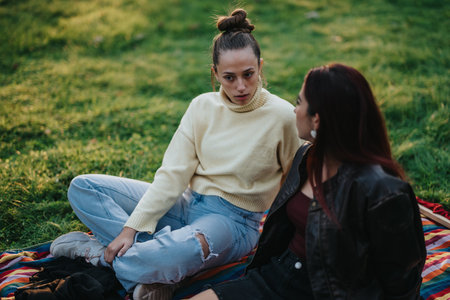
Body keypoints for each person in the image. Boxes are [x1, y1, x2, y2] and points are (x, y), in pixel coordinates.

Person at [49, 8, 301, 300]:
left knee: (165, 255)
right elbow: (173, 174)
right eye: (229, 77)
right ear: (215, 73)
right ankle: (153, 267)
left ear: (260, 66)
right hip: (186, 205)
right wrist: (131, 228)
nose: (240, 86)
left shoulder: (283, 117)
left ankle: (95, 253)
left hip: (233, 224)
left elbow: (293, 183)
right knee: (83, 188)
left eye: (249, 74)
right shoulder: (201, 107)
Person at [191, 63, 427, 300]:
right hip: (277, 277)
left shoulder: (383, 192)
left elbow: (401, 281)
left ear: (317, 120)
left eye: (299, 102)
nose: (294, 110)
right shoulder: (307, 158)